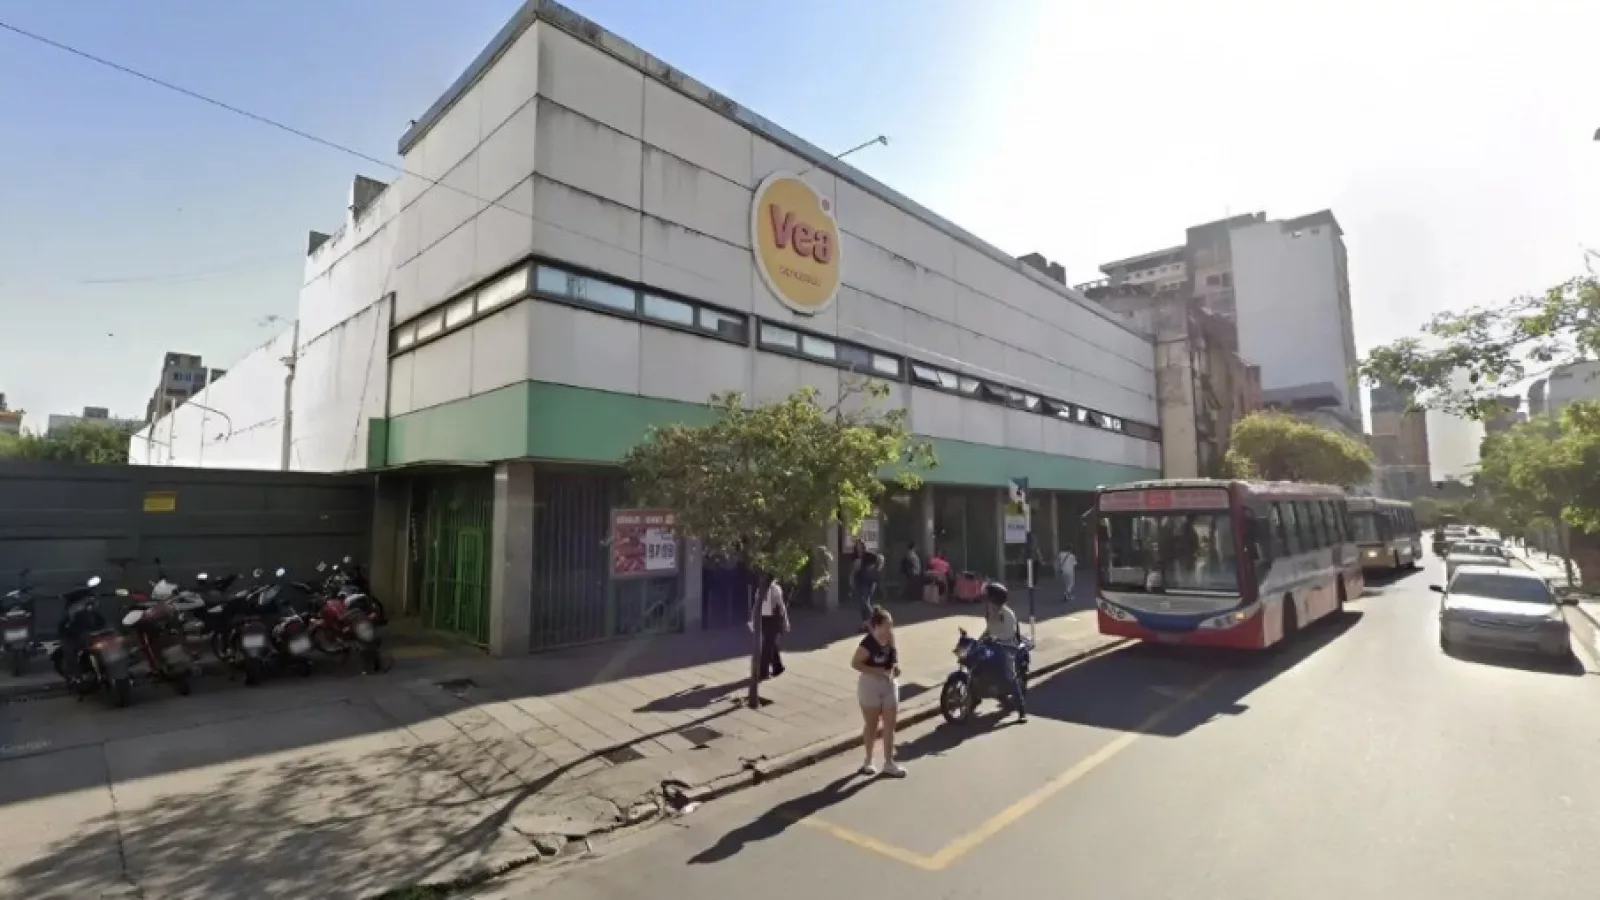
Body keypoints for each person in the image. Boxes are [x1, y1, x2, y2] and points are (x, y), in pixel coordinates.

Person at [852, 605, 906, 777]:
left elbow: (894, 656)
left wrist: (895, 667)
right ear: (876, 626)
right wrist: (876, 671)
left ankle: (889, 763)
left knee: (890, 725)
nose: (890, 629)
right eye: (886, 626)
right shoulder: (867, 644)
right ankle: (868, 761)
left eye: (891, 625)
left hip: (889, 685)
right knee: (872, 725)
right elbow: (855, 663)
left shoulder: (890, 638)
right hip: (870, 687)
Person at [981, 581, 1027, 723]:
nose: (987, 602)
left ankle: (1021, 710)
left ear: (995, 599)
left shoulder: (1008, 615)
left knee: (1010, 676)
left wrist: (995, 638)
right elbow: (989, 629)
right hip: (993, 644)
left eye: (989, 598)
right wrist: (980, 639)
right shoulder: (990, 611)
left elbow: (1009, 633)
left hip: (1007, 647)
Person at [748, 572, 790, 681]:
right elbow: (781, 606)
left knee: (770, 642)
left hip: (764, 619)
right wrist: (785, 621)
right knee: (768, 644)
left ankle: (778, 667)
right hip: (772, 619)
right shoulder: (775, 589)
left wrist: (753, 619)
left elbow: (756, 606)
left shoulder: (761, 589)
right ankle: (763, 671)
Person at [852, 545, 881, 630]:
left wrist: (876, 568)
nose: (859, 550)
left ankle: (875, 619)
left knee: (864, 602)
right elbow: (855, 571)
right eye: (857, 548)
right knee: (862, 604)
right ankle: (865, 624)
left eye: (860, 548)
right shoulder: (857, 558)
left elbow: (879, 558)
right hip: (861, 581)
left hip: (868, 582)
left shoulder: (868, 555)